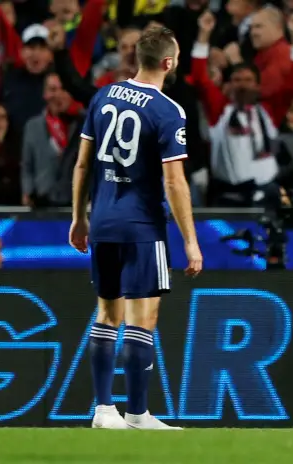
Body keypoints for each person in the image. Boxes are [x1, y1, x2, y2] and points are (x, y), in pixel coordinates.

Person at [69, 26, 203, 430]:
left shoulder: (103, 95)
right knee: (142, 317)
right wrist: (191, 242)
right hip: (142, 223)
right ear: (168, 62)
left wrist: (79, 217)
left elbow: (82, 164)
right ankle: (138, 413)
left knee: (106, 313)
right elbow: (175, 181)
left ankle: (103, 410)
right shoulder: (168, 110)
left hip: (104, 219)